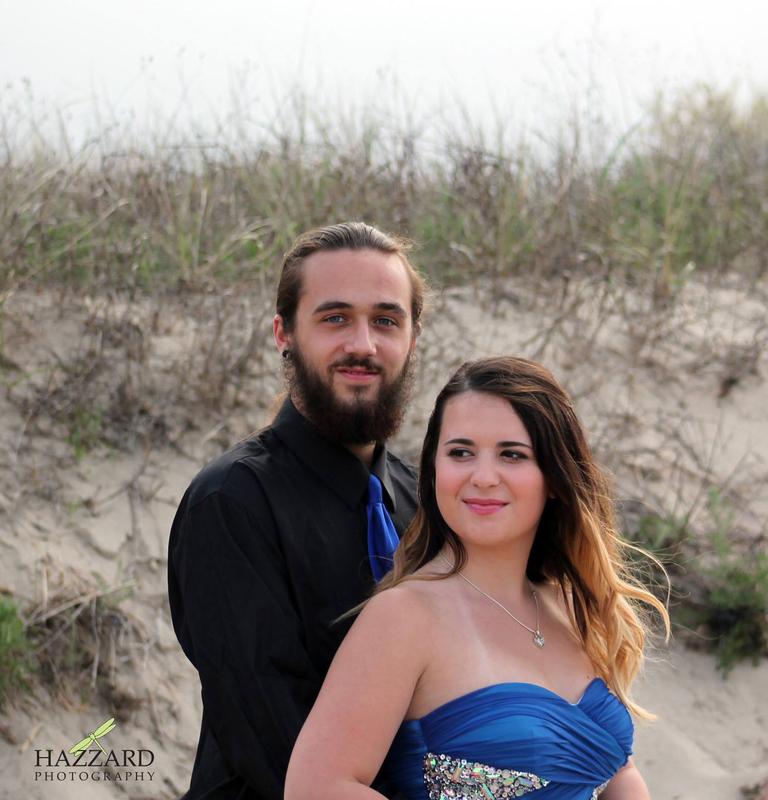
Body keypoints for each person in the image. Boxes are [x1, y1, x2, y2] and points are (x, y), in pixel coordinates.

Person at [285, 356, 671, 800]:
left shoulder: (571, 605)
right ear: (434, 469)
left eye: (512, 454)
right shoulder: (405, 617)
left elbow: (617, 772)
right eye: (460, 452)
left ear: (555, 477)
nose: (483, 478)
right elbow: (317, 787)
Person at [167, 222, 426, 799]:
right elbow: (276, 741)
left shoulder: (426, 502)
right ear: (284, 333)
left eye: (386, 320)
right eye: (335, 318)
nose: (363, 344)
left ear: (413, 337)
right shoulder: (231, 503)